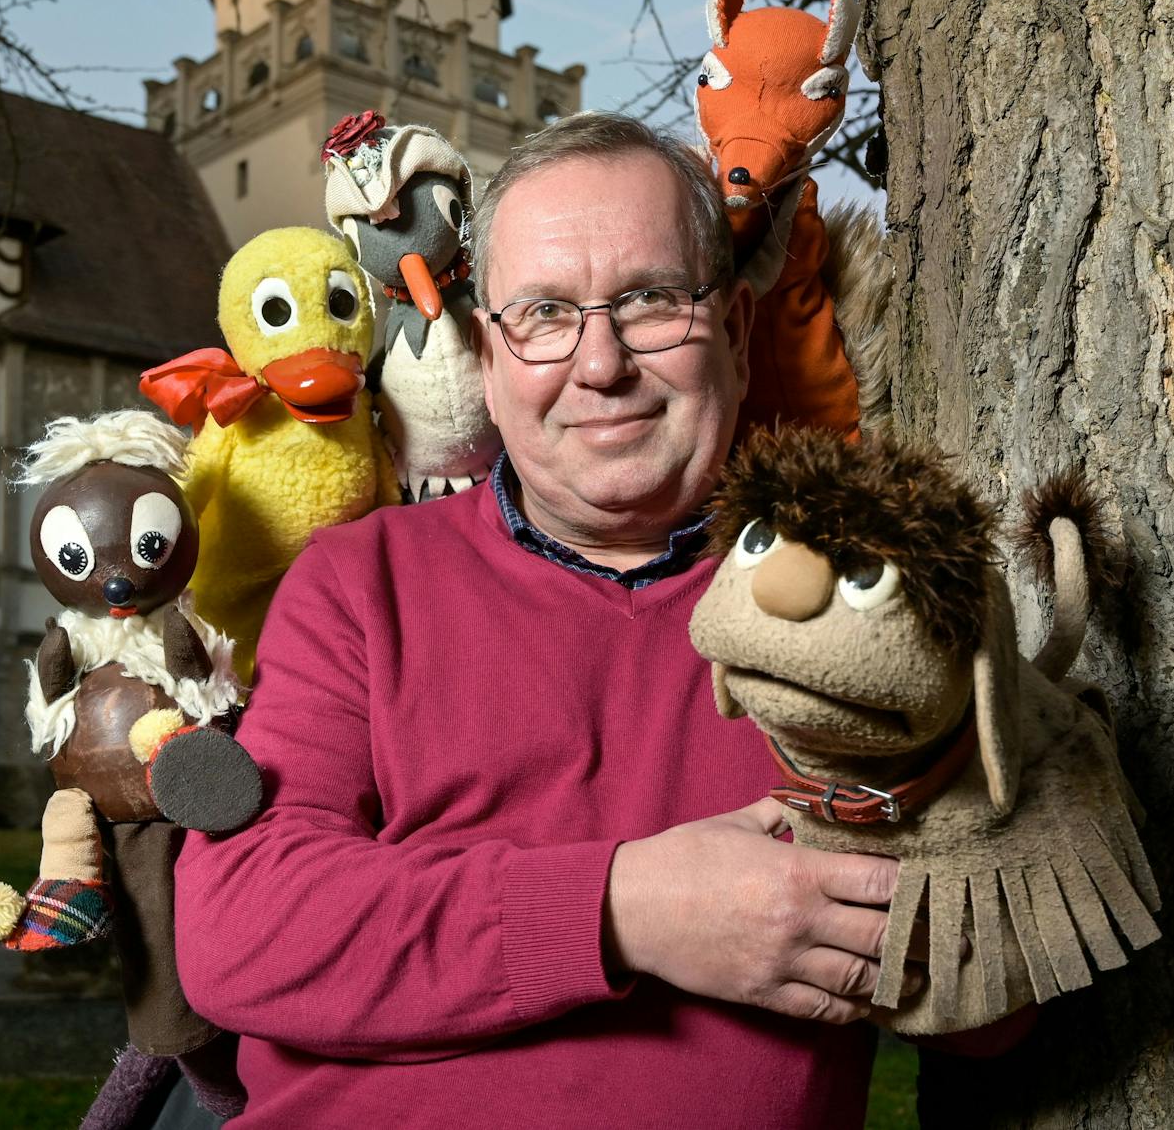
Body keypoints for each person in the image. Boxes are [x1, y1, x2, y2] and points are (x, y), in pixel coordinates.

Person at [172, 112, 1009, 1129]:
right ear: (485, 358)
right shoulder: (358, 583)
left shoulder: (859, 610)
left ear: (737, 336)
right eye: (542, 314)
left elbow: (992, 1004)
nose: (600, 363)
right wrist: (630, 908)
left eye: (652, 300)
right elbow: (240, 932)